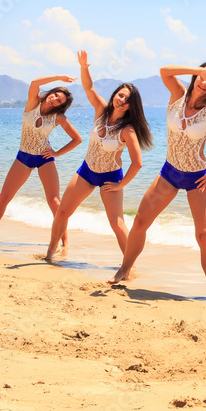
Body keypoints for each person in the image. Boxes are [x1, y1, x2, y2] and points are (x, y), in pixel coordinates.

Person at [107, 62, 206, 302]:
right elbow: (164, 71)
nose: (205, 83)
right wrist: (198, 70)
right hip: (169, 173)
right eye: (204, 76)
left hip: (196, 178)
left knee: (203, 235)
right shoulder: (177, 95)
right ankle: (125, 268)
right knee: (140, 222)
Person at [43, 51, 153, 261]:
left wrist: (121, 185)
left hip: (110, 177)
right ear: (115, 95)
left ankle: (128, 264)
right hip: (86, 171)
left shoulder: (127, 130)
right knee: (63, 212)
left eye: (127, 99)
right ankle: (50, 253)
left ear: (131, 105)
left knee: (116, 222)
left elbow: (137, 163)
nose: (122, 100)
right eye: (120, 95)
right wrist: (84, 67)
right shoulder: (101, 111)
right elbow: (88, 88)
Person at [0, 75, 81, 246]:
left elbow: (77, 139)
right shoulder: (32, 103)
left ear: (61, 106)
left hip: (44, 159)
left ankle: (64, 242)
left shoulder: (59, 118)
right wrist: (61, 78)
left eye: (59, 100)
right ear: (52, 92)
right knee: (4, 197)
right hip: (23, 157)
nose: (55, 99)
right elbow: (35, 83)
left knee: (54, 202)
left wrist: (56, 153)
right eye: (56, 94)